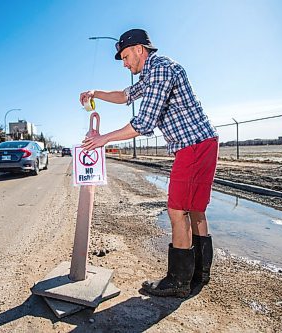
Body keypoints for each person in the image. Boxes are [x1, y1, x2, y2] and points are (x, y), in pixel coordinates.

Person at [80, 29, 218, 298]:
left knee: (178, 211)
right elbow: (125, 95)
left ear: (140, 50)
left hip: (192, 147)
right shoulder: (152, 73)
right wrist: (95, 92)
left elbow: (143, 123)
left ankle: (178, 282)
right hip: (203, 143)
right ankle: (199, 274)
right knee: (196, 210)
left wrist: (102, 140)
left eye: (126, 56)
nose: (125, 63)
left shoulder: (160, 70)